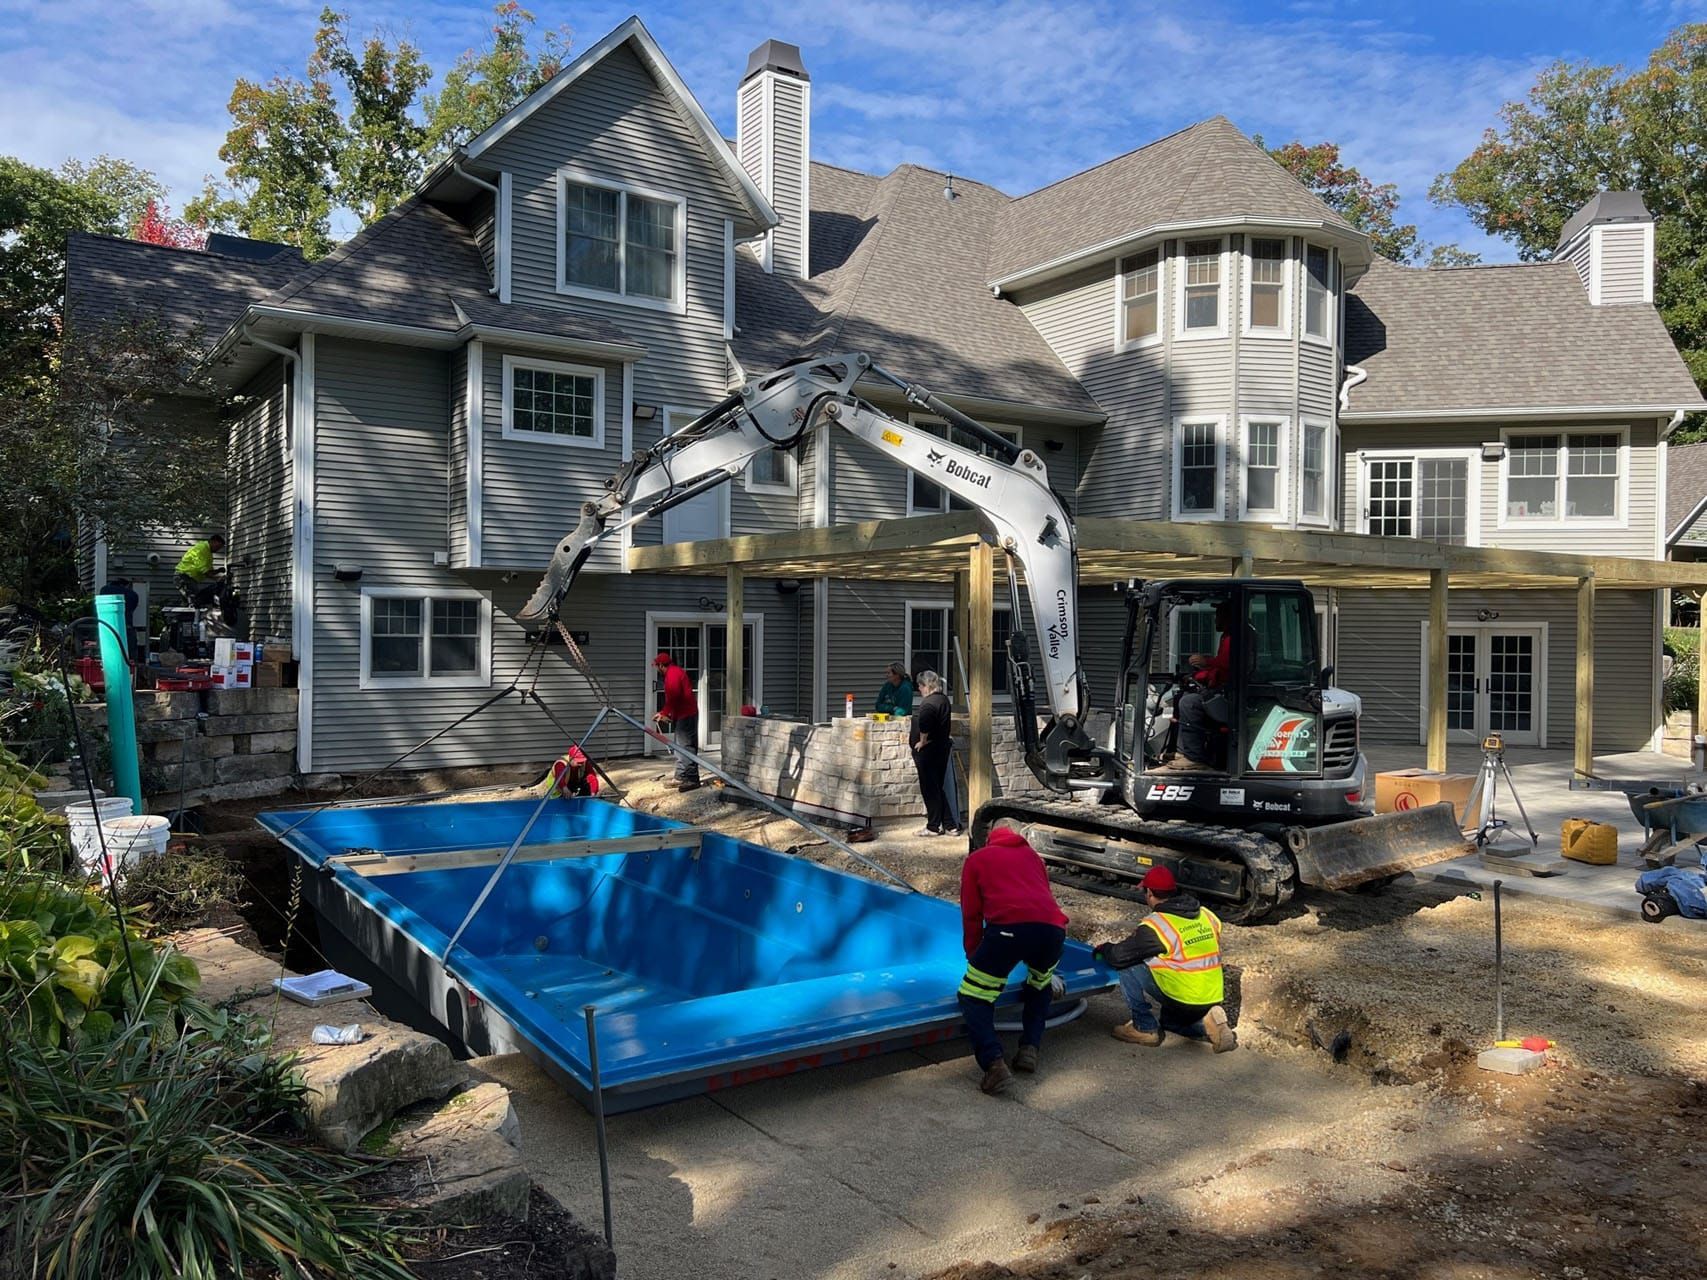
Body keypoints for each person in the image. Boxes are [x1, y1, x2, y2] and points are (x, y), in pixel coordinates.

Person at [958, 825, 1070, 1094]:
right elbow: (1040, 904)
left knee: (974, 995)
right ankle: (1030, 1048)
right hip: (1053, 931)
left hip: (1008, 931)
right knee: (1039, 985)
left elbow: (971, 913)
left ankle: (994, 1064)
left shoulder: (978, 859)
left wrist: (974, 954)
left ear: (988, 841)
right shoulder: (1034, 858)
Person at [1093, 865, 1236, 1052]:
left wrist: (1104, 949)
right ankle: (1209, 1025)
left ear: (1150, 893)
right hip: (1211, 993)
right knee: (1170, 1023)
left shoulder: (1157, 925)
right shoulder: (1207, 915)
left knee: (1128, 966)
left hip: (1183, 995)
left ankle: (1144, 1028)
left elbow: (1120, 956)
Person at [1172, 600, 1235, 768]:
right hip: (1224, 689)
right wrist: (1197, 676)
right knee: (1181, 697)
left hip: (1232, 695)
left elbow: (1229, 665)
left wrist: (1205, 661)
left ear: (1227, 616)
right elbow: (1219, 670)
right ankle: (1183, 750)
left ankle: (1194, 757)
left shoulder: (1236, 637)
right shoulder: (1227, 637)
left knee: (1189, 703)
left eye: (1218, 616)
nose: (1215, 620)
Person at [910, 670, 958, 836]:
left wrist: (922, 741)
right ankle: (950, 824)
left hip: (929, 750)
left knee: (930, 789)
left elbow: (925, 724)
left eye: (920, 686)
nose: (919, 689)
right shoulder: (943, 699)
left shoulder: (928, 703)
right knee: (938, 787)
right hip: (942, 747)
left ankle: (933, 826)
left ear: (926, 685)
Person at [652, 651, 700, 791]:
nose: (656, 668)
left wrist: (664, 713)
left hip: (687, 714)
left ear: (661, 665)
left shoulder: (673, 674)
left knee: (687, 746)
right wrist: (665, 714)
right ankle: (680, 776)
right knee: (680, 746)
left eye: (656, 666)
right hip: (681, 714)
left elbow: (673, 697)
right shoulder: (674, 672)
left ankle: (691, 778)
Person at [175, 533, 227, 607]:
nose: (217, 549)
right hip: (184, 576)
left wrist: (218, 571)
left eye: (220, 548)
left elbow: (208, 571)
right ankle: (189, 617)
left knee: (189, 601)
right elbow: (203, 570)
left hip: (189, 578)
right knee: (194, 600)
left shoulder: (208, 553)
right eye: (217, 546)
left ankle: (183, 617)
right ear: (213, 541)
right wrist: (218, 578)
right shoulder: (202, 549)